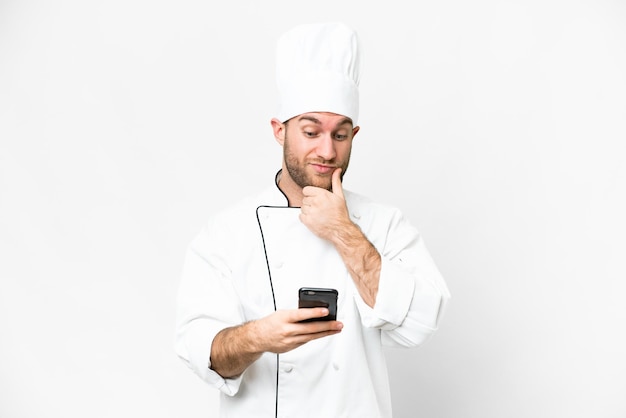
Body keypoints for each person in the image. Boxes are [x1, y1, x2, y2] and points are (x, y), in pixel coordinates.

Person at [175, 22, 450, 418]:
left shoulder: (383, 224)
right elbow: (203, 353)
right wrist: (259, 336)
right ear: (279, 131)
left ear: (354, 135)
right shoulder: (226, 232)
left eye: (340, 135)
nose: (327, 149)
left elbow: (422, 321)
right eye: (310, 131)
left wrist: (342, 230)